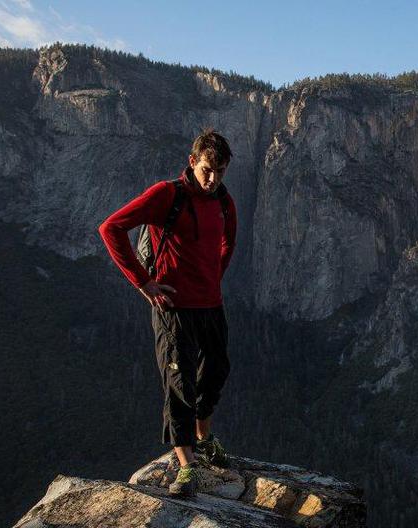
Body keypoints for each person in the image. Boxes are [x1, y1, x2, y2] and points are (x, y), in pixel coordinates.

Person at [98, 127, 237, 497]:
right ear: (192, 162)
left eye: (220, 172)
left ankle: (203, 436)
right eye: (207, 169)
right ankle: (187, 465)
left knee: (218, 369)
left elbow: (228, 242)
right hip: (172, 308)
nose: (212, 179)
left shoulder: (224, 201)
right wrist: (143, 283)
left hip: (211, 305)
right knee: (180, 382)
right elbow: (111, 228)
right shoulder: (166, 195)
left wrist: (211, 279)